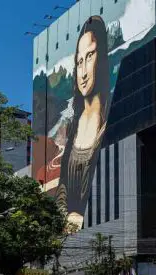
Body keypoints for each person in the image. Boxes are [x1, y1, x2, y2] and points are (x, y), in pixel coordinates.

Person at [53, 16, 111, 229]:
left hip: (103, 231)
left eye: (90, 56)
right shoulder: (71, 128)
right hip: (68, 237)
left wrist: (85, 216)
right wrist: (66, 218)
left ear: (101, 57)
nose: (84, 72)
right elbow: (61, 191)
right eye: (79, 62)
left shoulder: (111, 122)